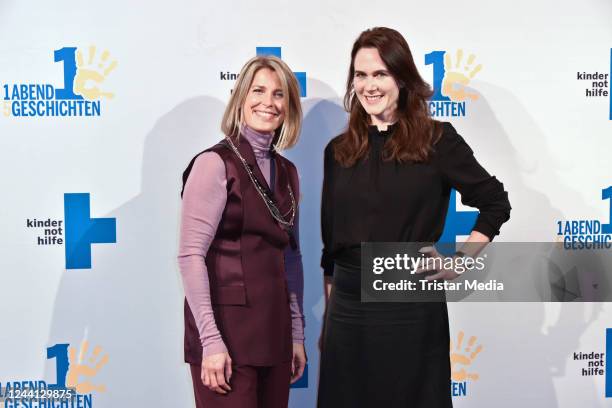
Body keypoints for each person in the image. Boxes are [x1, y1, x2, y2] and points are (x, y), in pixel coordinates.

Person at [317, 27, 511, 408]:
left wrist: (460, 261)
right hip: (348, 308)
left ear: (402, 79)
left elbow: (494, 202)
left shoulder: (437, 141)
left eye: (380, 74)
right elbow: (331, 248)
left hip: (411, 303)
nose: (369, 85)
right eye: (360, 75)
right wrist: (330, 319)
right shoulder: (338, 151)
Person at [178, 55, 307, 408]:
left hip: (275, 333)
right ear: (240, 98)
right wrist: (211, 341)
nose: (269, 102)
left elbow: (291, 257)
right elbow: (191, 256)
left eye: (279, 94)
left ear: (289, 105)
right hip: (226, 335)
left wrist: (296, 334)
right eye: (259, 90)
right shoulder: (213, 164)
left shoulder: (288, 172)